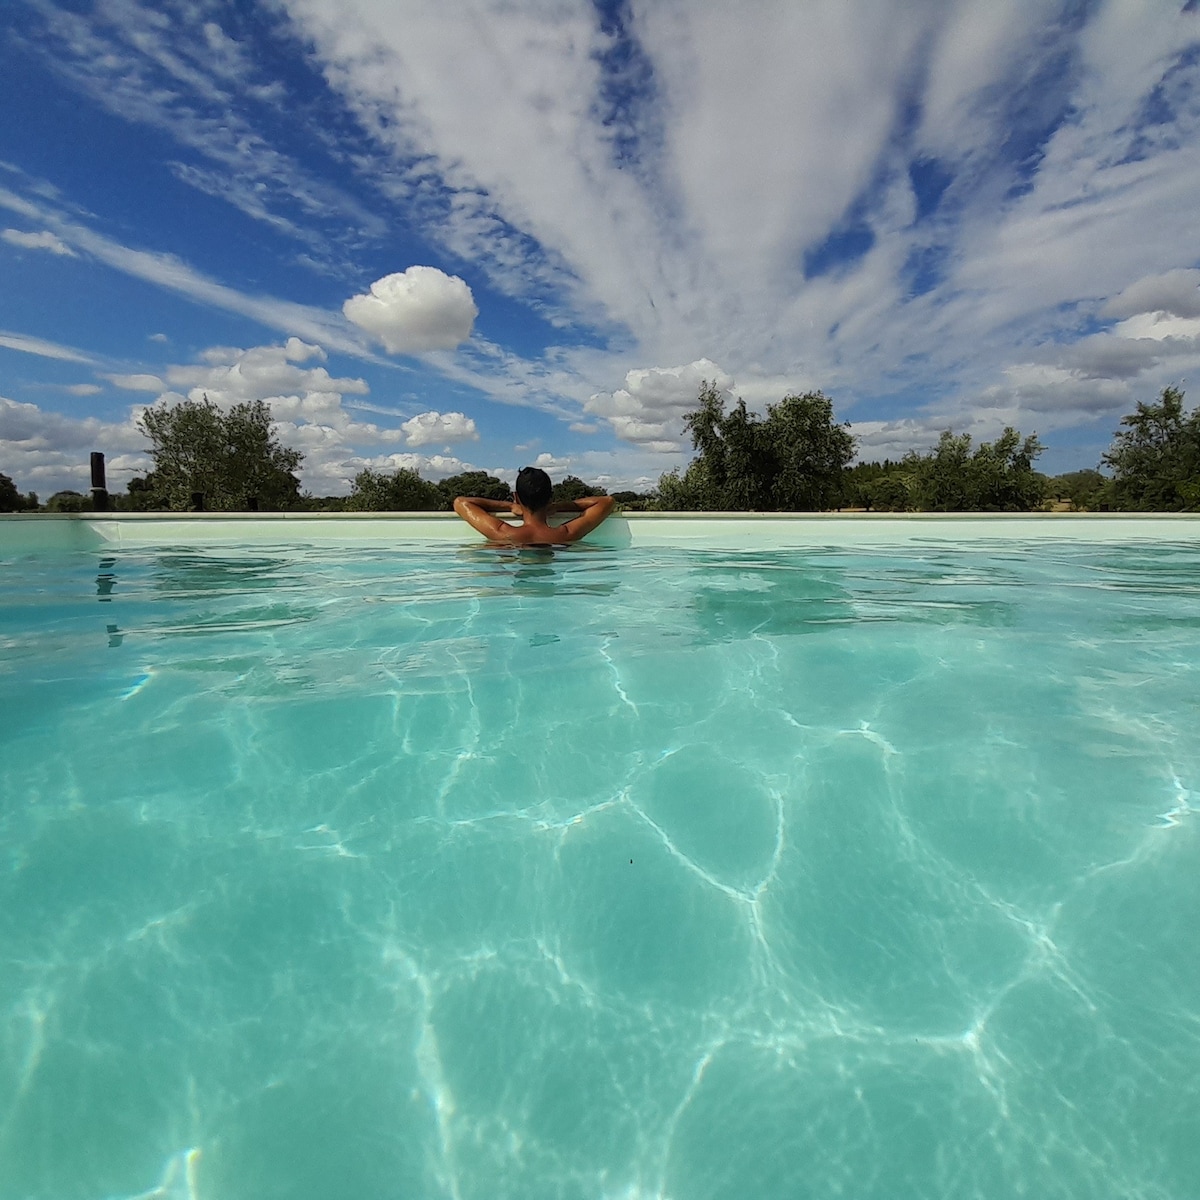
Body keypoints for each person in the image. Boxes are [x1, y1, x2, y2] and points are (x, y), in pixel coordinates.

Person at [453, 466, 615, 545]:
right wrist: (558, 506)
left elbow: (461, 502)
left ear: (516, 497)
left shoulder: (503, 534)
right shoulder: (566, 534)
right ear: (550, 498)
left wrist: (510, 506)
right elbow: (607, 501)